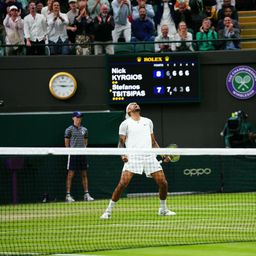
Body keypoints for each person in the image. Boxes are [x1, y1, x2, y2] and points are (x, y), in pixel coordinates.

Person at [100, 102, 176, 219]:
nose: (135, 105)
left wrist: (163, 155)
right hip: (133, 158)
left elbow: (153, 142)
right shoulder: (125, 124)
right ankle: (108, 211)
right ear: (128, 111)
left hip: (149, 157)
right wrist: (123, 154)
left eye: (136, 104)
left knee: (163, 183)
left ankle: (163, 209)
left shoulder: (148, 121)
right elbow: (121, 143)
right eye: (132, 105)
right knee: (122, 184)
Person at [65, 111, 94, 202]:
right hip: (73, 154)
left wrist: (83, 149)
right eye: (77, 117)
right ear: (73, 118)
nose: (79, 119)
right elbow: (66, 143)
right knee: (70, 175)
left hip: (82, 155)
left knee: (84, 174)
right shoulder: (69, 129)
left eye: (80, 117)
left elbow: (86, 142)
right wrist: (70, 151)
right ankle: (68, 195)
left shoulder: (84, 130)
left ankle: (86, 194)